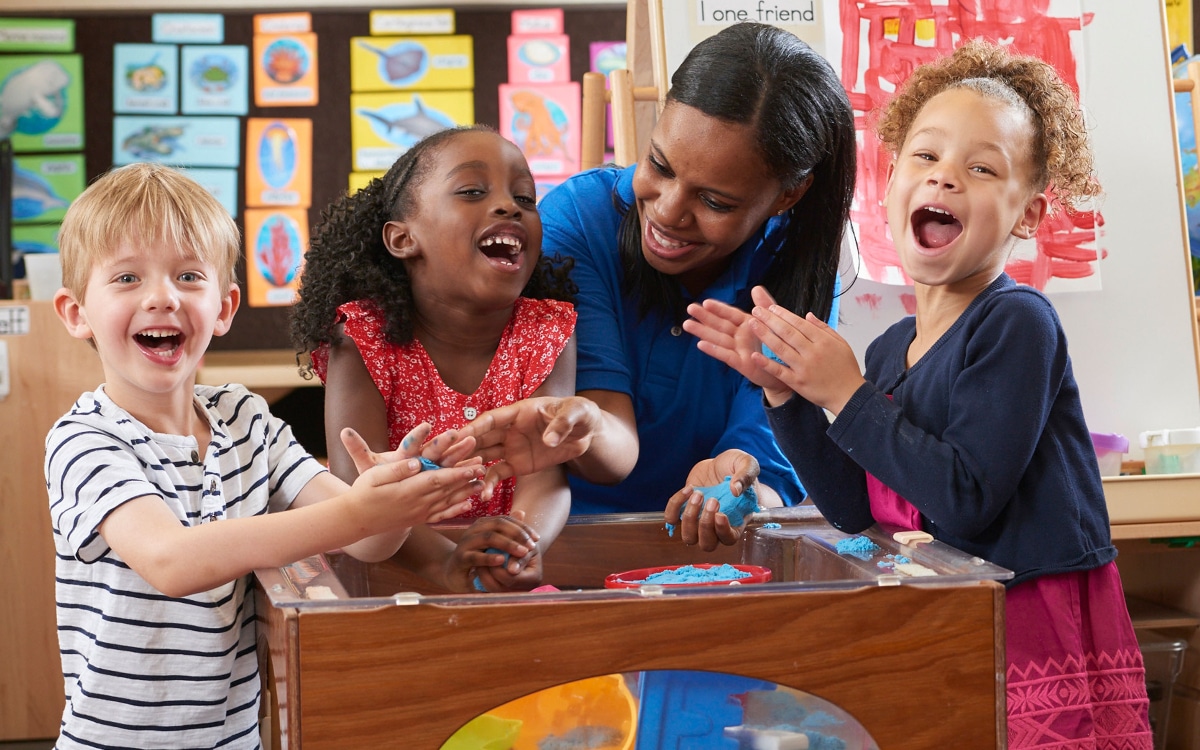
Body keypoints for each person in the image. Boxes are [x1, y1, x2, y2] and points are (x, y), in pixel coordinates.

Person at [686, 40, 1152, 746]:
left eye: (982, 168)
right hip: (950, 616)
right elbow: (851, 507)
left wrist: (848, 395)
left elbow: (965, 495)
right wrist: (783, 393)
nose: (946, 179)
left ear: (1028, 214)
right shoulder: (888, 348)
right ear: (892, 182)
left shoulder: (1017, 321)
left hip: (1031, 621)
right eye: (925, 157)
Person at [45, 163, 485, 749]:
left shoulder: (243, 416)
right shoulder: (83, 439)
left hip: (235, 739)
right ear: (77, 313)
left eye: (188, 275)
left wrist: (394, 497)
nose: (161, 297)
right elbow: (173, 561)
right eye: (126, 278)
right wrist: (359, 512)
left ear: (224, 307)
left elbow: (365, 541)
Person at [456, 22, 857, 536]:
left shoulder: (800, 262)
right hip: (564, 539)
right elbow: (603, 432)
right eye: (659, 165)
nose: (668, 212)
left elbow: (772, 457)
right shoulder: (575, 222)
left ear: (788, 195)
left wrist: (737, 485)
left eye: (715, 202)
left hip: (713, 553)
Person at [290, 126, 578, 592]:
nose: (509, 206)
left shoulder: (548, 330)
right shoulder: (363, 337)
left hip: (501, 583)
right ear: (403, 239)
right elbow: (353, 491)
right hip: (388, 581)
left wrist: (522, 542)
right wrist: (445, 564)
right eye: (471, 191)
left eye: (525, 198)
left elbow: (547, 472)